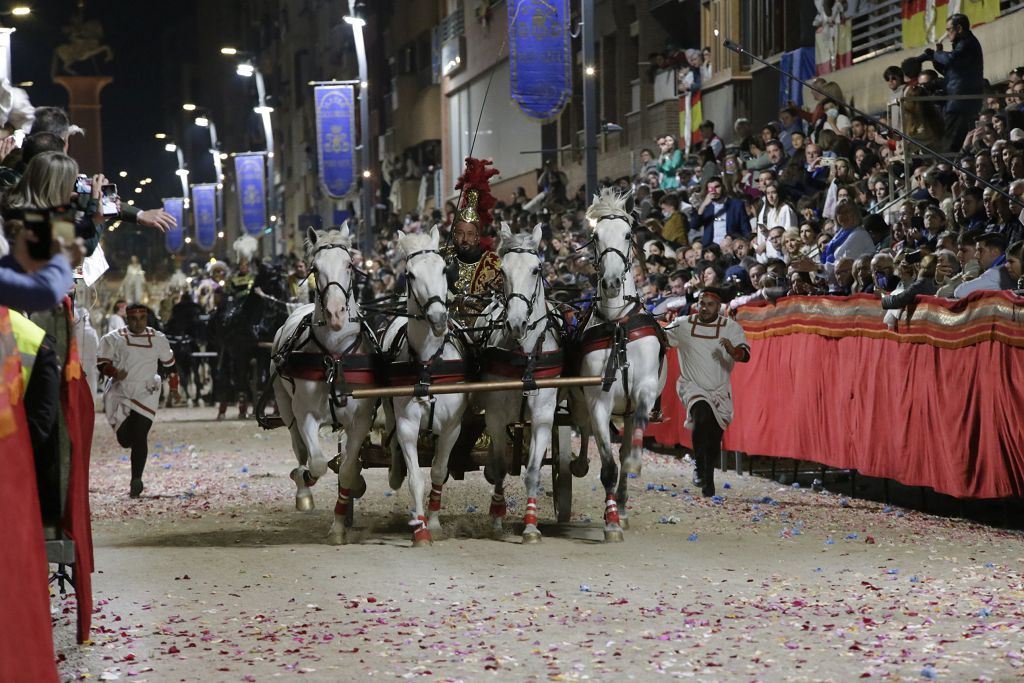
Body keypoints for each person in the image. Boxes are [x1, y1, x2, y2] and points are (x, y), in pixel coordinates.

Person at [664, 287, 750, 498]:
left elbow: (745, 355)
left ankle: (707, 474)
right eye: (702, 303)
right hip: (691, 385)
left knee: (714, 436)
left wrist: (733, 351)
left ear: (719, 306)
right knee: (701, 417)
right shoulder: (683, 324)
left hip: (720, 389)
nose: (704, 308)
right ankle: (700, 468)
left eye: (710, 304)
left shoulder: (730, 327)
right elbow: (661, 338)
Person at [97, 303, 176, 497]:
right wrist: (114, 372)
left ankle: (136, 479)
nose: (138, 323)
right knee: (125, 440)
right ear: (127, 319)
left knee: (140, 436)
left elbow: (170, 365)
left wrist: (174, 387)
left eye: (142, 318)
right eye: (133, 318)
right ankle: (133, 451)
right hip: (120, 392)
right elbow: (102, 364)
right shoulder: (114, 338)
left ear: (147, 318)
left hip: (146, 391)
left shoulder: (158, 338)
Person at [444, 156, 503, 323]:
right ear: (454, 235)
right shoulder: (442, 260)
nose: (464, 239)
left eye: (470, 234)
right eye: (460, 233)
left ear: (477, 237)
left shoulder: (493, 263)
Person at [924, 12, 984, 152]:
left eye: (949, 29)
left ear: (959, 28)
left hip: (961, 103)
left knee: (949, 146)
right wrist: (935, 58)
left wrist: (937, 54)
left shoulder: (967, 44)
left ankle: (947, 170)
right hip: (957, 101)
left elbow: (951, 60)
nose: (947, 33)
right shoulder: (961, 45)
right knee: (949, 143)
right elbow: (949, 72)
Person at [691, 177, 750, 246]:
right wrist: (703, 205)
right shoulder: (706, 207)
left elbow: (745, 228)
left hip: (731, 245)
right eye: (710, 188)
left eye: (717, 187)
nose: (714, 191)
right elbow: (694, 225)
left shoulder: (736, 205)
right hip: (711, 247)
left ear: (723, 187)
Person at [954, 232, 1016, 297]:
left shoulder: (996, 273)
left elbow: (959, 292)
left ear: (995, 252)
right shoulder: (1005, 268)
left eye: (980, 251)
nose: (976, 256)